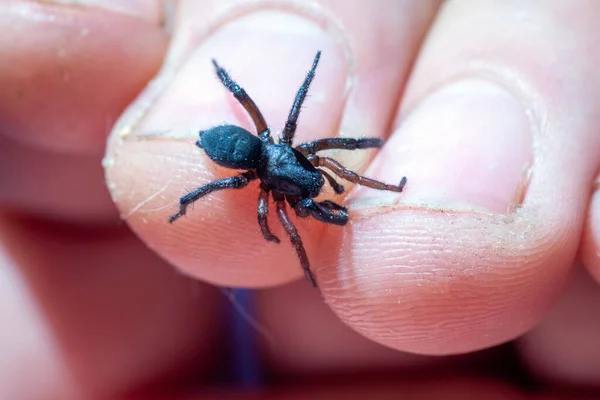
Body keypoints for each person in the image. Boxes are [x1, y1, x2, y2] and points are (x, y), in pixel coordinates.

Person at [1, 0, 599, 398]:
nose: (314, 190)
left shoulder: (295, 166)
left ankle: (386, 187)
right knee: (315, 169)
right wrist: (217, 213)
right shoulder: (268, 188)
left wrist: (381, 168)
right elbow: (273, 216)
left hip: (267, 155)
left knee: (329, 158)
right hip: (250, 154)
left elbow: (308, 169)